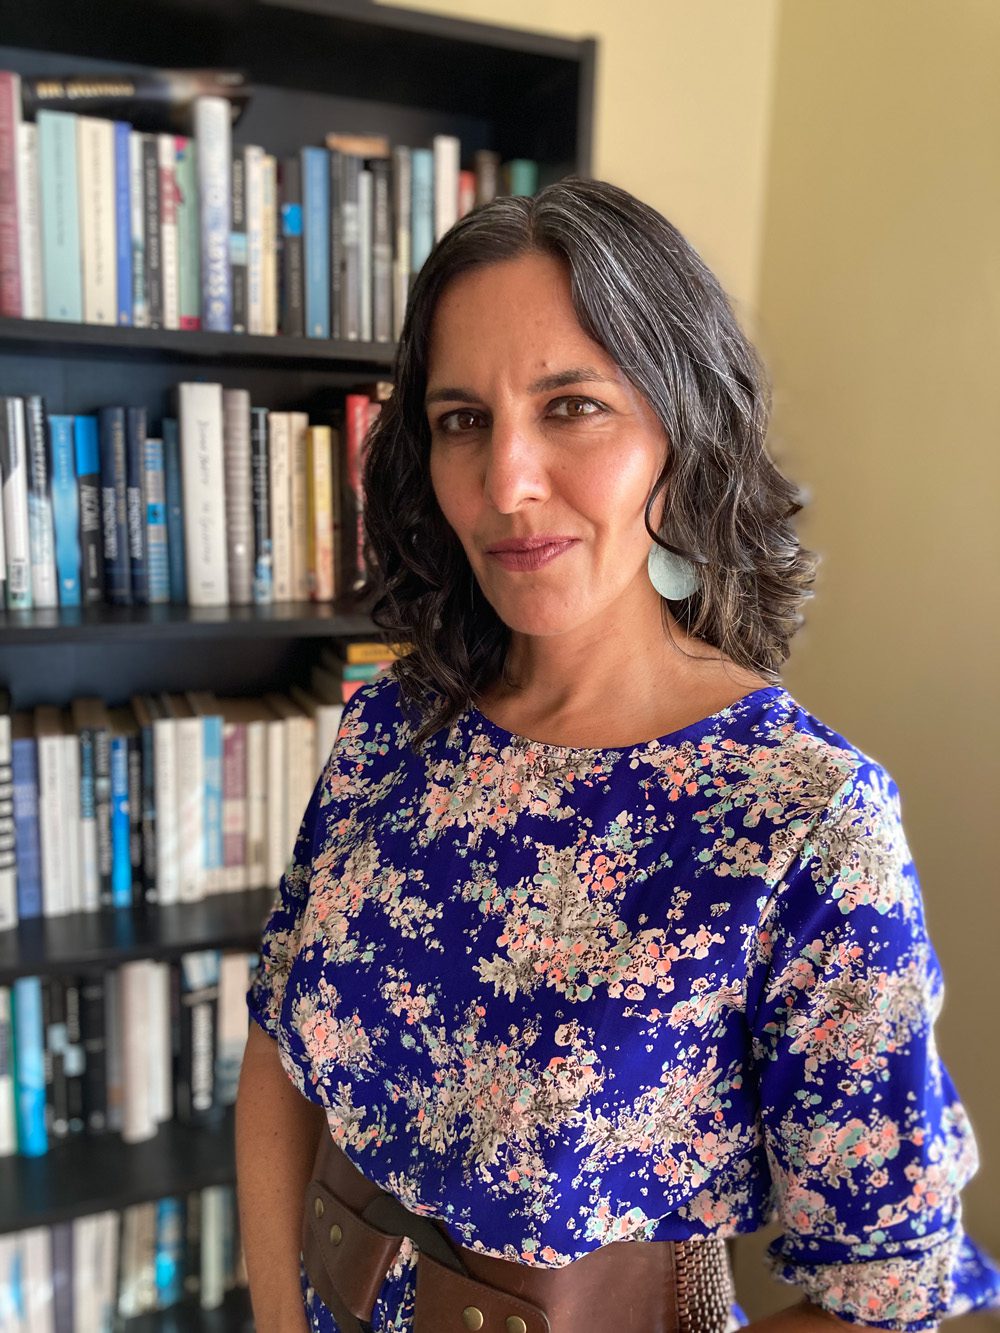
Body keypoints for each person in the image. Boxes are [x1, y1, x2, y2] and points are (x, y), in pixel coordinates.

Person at [235, 177, 1000, 1333]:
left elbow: (882, 1286)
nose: (506, 483)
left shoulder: (803, 821)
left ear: (679, 428)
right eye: (462, 420)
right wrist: (273, 1315)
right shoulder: (395, 723)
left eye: (572, 405)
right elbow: (280, 1039)